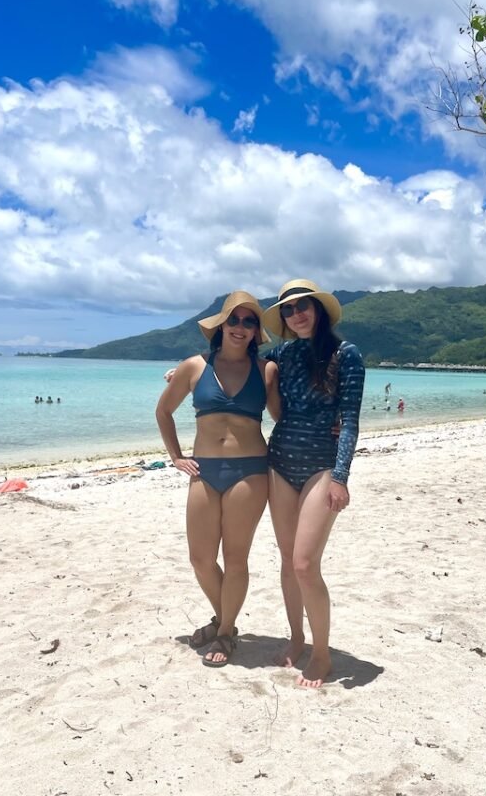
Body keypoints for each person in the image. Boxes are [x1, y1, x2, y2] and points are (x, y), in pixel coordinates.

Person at [156, 291, 278, 668]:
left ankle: (224, 631)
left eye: (249, 321)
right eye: (235, 320)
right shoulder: (193, 367)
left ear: (256, 331)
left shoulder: (266, 370)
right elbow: (163, 411)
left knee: (235, 558)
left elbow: (283, 414)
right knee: (201, 559)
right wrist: (176, 457)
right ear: (221, 325)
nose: (241, 327)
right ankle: (225, 619)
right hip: (204, 470)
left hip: (251, 471)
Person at [261, 279, 365, 689]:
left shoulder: (347, 355)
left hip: (322, 466)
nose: (296, 313)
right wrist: (188, 367)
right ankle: (296, 638)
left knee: (305, 564)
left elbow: (351, 419)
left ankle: (321, 652)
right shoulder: (284, 353)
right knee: (288, 560)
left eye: (304, 306)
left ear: (319, 310)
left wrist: (341, 476)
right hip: (280, 462)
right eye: (288, 309)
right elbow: (234, 356)